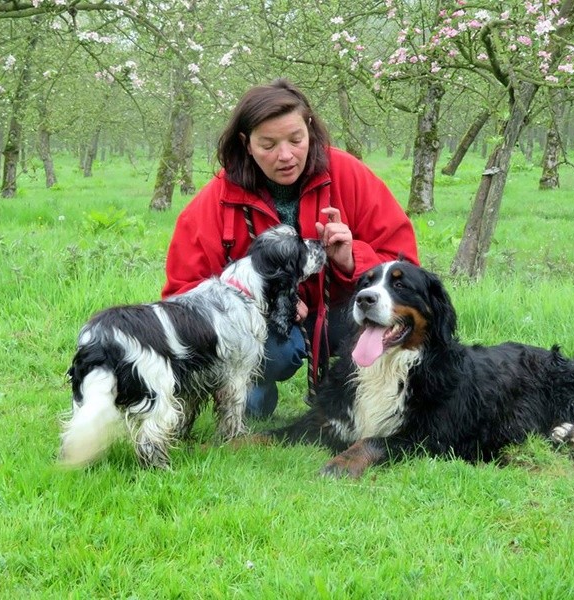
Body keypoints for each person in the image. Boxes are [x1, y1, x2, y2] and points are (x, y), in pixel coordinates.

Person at [162, 79, 419, 418]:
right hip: (263, 325)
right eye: (268, 144)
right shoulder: (215, 201)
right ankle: (250, 391)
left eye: (296, 140)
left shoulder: (349, 175)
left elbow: (406, 269)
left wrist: (350, 259)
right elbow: (182, 299)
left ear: (310, 129)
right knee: (253, 403)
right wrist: (262, 304)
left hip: (343, 310)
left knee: (387, 328)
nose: (285, 156)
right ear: (246, 144)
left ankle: (373, 396)